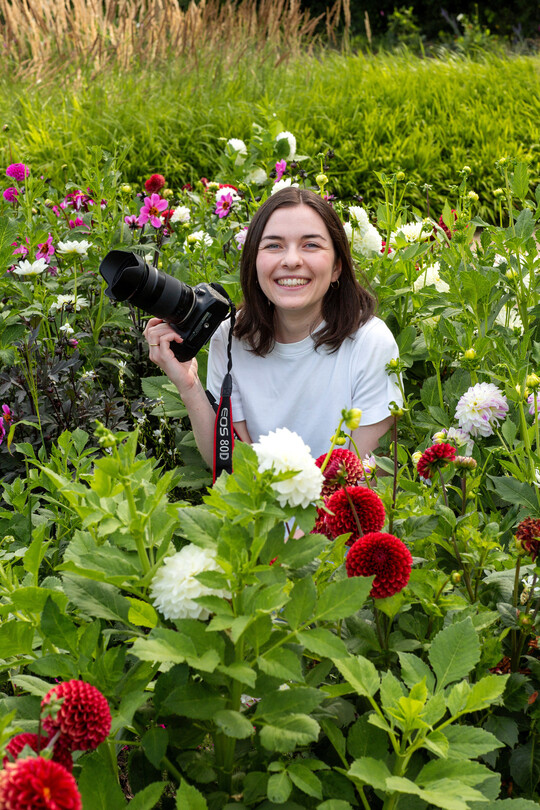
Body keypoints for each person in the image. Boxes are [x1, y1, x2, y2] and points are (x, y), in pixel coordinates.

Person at [143, 187, 402, 467]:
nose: (291, 260)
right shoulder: (230, 336)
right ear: (254, 262)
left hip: (341, 507)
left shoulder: (370, 343)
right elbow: (227, 465)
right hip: (256, 507)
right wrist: (189, 385)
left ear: (338, 266)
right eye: (273, 245)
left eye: (311, 245)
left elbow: (364, 478)